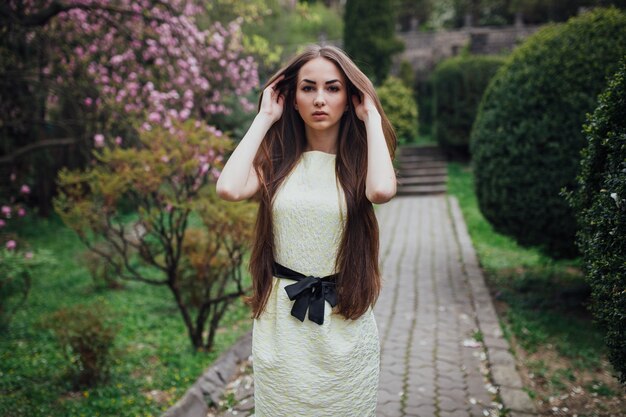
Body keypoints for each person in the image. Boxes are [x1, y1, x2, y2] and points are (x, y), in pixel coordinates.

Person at [216, 44, 397, 417]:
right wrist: (265, 116)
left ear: (349, 98)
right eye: (307, 88)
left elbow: (381, 191)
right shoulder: (277, 163)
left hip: (345, 319)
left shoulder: (360, 164)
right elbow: (229, 188)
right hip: (281, 325)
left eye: (332, 88)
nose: (319, 99)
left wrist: (373, 119)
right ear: (292, 98)